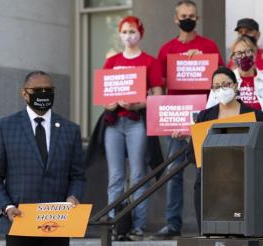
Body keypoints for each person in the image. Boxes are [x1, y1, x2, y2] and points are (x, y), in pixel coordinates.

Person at [154, 0, 224, 239]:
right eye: (183, 15)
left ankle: (213, 222)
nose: (188, 18)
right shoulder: (166, 49)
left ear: (198, 19)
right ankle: (173, 224)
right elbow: (158, 85)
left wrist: (202, 58)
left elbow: (222, 78)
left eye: (192, 15)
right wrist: (162, 119)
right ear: (176, 19)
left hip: (203, 117)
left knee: (207, 173)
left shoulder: (209, 46)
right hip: (174, 117)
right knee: (174, 173)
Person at [0, 71, 85, 246]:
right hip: (19, 222)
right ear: (24, 93)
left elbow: (78, 176)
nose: (43, 94)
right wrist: (7, 207)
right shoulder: (4, 127)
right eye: (37, 89)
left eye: (48, 89)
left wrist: (73, 197)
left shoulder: (70, 129)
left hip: (58, 223)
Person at [102, 16, 164, 241]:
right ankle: (112, 223)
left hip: (137, 121)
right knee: (116, 176)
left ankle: (138, 225)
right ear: (119, 34)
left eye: (132, 31)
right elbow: (105, 96)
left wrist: (137, 103)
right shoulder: (112, 61)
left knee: (138, 174)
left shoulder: (150, 61)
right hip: (114, 123)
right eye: (124, 31)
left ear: (140, 33)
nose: (128, 35)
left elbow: (158, 95)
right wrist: (111, 103)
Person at [188, 66, 263, 233]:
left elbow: (262, 151)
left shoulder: (254, 114)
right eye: (216, 86)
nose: (221, 89)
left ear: (236, 86)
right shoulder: (204, 116)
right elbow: (191, 154)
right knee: (210, 233)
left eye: (225, 84)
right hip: (209, 185)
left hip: (242, 183)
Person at [207, 36, 263, 122]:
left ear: (255, 54)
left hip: (261, 131)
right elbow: (210, 113)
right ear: (233, 58)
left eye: (247, 51)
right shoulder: (223, 81)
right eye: (238, 53)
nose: (243, 56)